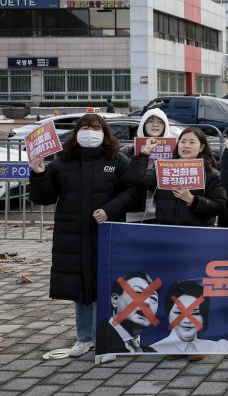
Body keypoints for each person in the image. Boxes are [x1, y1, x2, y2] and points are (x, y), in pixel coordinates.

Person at [28, 114, 139, 358]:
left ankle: (105, 337)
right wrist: (38, 174)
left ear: (105, 132)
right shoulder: (62, 163)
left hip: (106, 234)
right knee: (80, 289)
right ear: (76, 133)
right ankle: (83, 338)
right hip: (73, 237)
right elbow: (44, 197)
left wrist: (110, 209)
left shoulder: (117, 160)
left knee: (105, 287)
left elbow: (133, 192)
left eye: (96, 127)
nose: (90, 132)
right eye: (85, 127)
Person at [126, 127, 227, 227]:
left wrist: (192, 200)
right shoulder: (164, 169)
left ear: (201, 147)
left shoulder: (211, 174)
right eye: (182, 141)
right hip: (164, 230)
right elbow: (136, 179)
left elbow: (218, 206)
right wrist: (145, 153)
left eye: (192, 142)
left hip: (197, 233)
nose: (186, 146)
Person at [121, 108, 171, 223]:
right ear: (143, 124)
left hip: (162, 213)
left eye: (159, 121)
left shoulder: (174, 152)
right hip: (133, 213)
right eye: (150, 121)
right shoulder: (127, 151)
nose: (155, 124)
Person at [151, 280, 228, 354]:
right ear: (168, 314)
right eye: (179, 312)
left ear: (203, 317)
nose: (187, 320)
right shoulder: (153, 351)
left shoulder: (216, 349)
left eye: (195, 313)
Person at [96, 271, 159, 353]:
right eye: (138, 293)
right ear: (115, 300)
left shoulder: (151, 352)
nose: (147, 302)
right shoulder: (100, 341)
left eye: (153, 298)